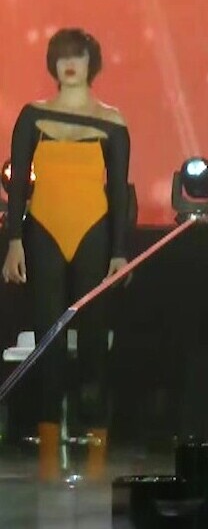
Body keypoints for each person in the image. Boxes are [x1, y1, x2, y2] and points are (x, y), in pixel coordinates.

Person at [2, 28, 131, 482]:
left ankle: (95, 458)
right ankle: (48, 457)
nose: (70, 64)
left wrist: (119, 253)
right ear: (53, 65)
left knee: (94, 342)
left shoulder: (112, 121)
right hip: (42, 233)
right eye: (62, 57)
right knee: (48, 341)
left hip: (94, 232)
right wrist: (14, 241)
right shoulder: (33, 116)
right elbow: (18, 188)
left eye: (77, 56)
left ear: (91, 63)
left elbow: (119, 192)